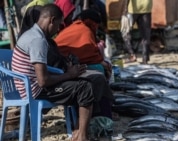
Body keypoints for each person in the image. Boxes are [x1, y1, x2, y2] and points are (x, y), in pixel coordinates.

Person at [11, 4, 112, 141]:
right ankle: (81, 136)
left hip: (31, 85)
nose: (58, 30)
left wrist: (68, 72)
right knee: (85, 87)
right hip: (35, 90)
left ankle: (78, 132)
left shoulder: (32, 34)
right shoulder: (38, 41)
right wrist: (69, 75)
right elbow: (43, 81)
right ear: (51, 20)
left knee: (86, 82)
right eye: (58, 25)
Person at [54, 9, 112, 79]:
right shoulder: (85, 31)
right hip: (61, 63)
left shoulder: (75, 26)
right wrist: (105, 65)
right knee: (98, 68)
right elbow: (90, 55)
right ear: (93, 23)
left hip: (58, 60)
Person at [122, 0, 152, 64]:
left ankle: (132, 55)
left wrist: (125, 9)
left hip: (133, 9)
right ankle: (145, 59)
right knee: (146, 34)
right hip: (146, 7)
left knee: (125, 32)